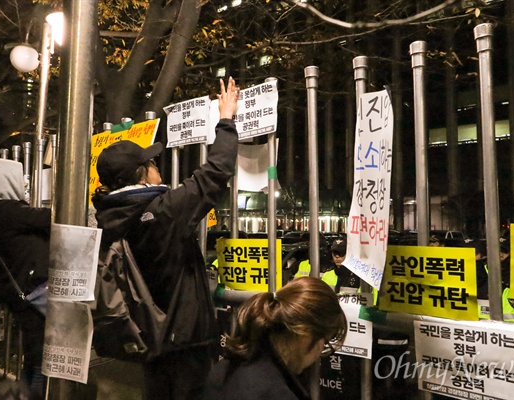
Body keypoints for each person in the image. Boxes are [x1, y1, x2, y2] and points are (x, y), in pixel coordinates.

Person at [92, 77, 240, 400]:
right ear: (142, 174)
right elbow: (214, 174)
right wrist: (226, 120)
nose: (158, 168)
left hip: (149, 338)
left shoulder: (108, 218)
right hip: (186, 343)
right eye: (152, 163)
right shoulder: (161, 212)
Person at [0, 159, 51, 399]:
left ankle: (26, 394)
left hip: (22, 292)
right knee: (41, 360)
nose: (26, 182)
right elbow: (56, 217)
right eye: (21, 177)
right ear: (6, 181)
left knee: (33, 355)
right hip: (32, 291)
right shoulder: (5, 210)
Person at [202, 277, 347, 400]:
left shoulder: (223, 369)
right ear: (305, 333)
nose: (318, 355)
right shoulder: (276, 393)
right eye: (325, 342)